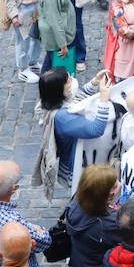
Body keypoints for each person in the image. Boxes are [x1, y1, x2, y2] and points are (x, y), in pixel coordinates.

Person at [30, 68, 113, 197]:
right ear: (60, 90)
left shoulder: (51, 102)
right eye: (68, 81)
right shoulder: (64, 118)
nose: (72, 81)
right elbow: (96, 129)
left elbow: (76, 98)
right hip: (80, 161)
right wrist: (104, 100)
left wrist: (95, 82)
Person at [33, 0, 76, 77]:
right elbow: (54, 20)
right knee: (62, 70)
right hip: (57, 38)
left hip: (56, 36)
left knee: (49, 61)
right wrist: (63, 44)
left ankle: (44, 85)